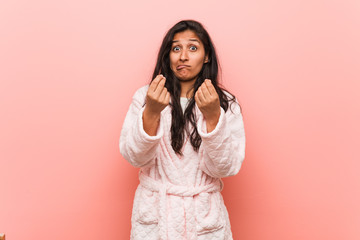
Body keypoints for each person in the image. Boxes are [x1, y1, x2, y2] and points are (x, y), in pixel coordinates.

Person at [119, 19, 246, 240]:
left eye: (193, 48)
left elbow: (225, 168)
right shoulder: (145, 97)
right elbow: (135, 158)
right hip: (157, 216)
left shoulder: (225, 102)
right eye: (176, 48)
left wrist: (213, 115)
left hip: (203, 218)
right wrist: (151, 112)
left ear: (206, 56)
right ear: (167, 56)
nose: (183, 56)